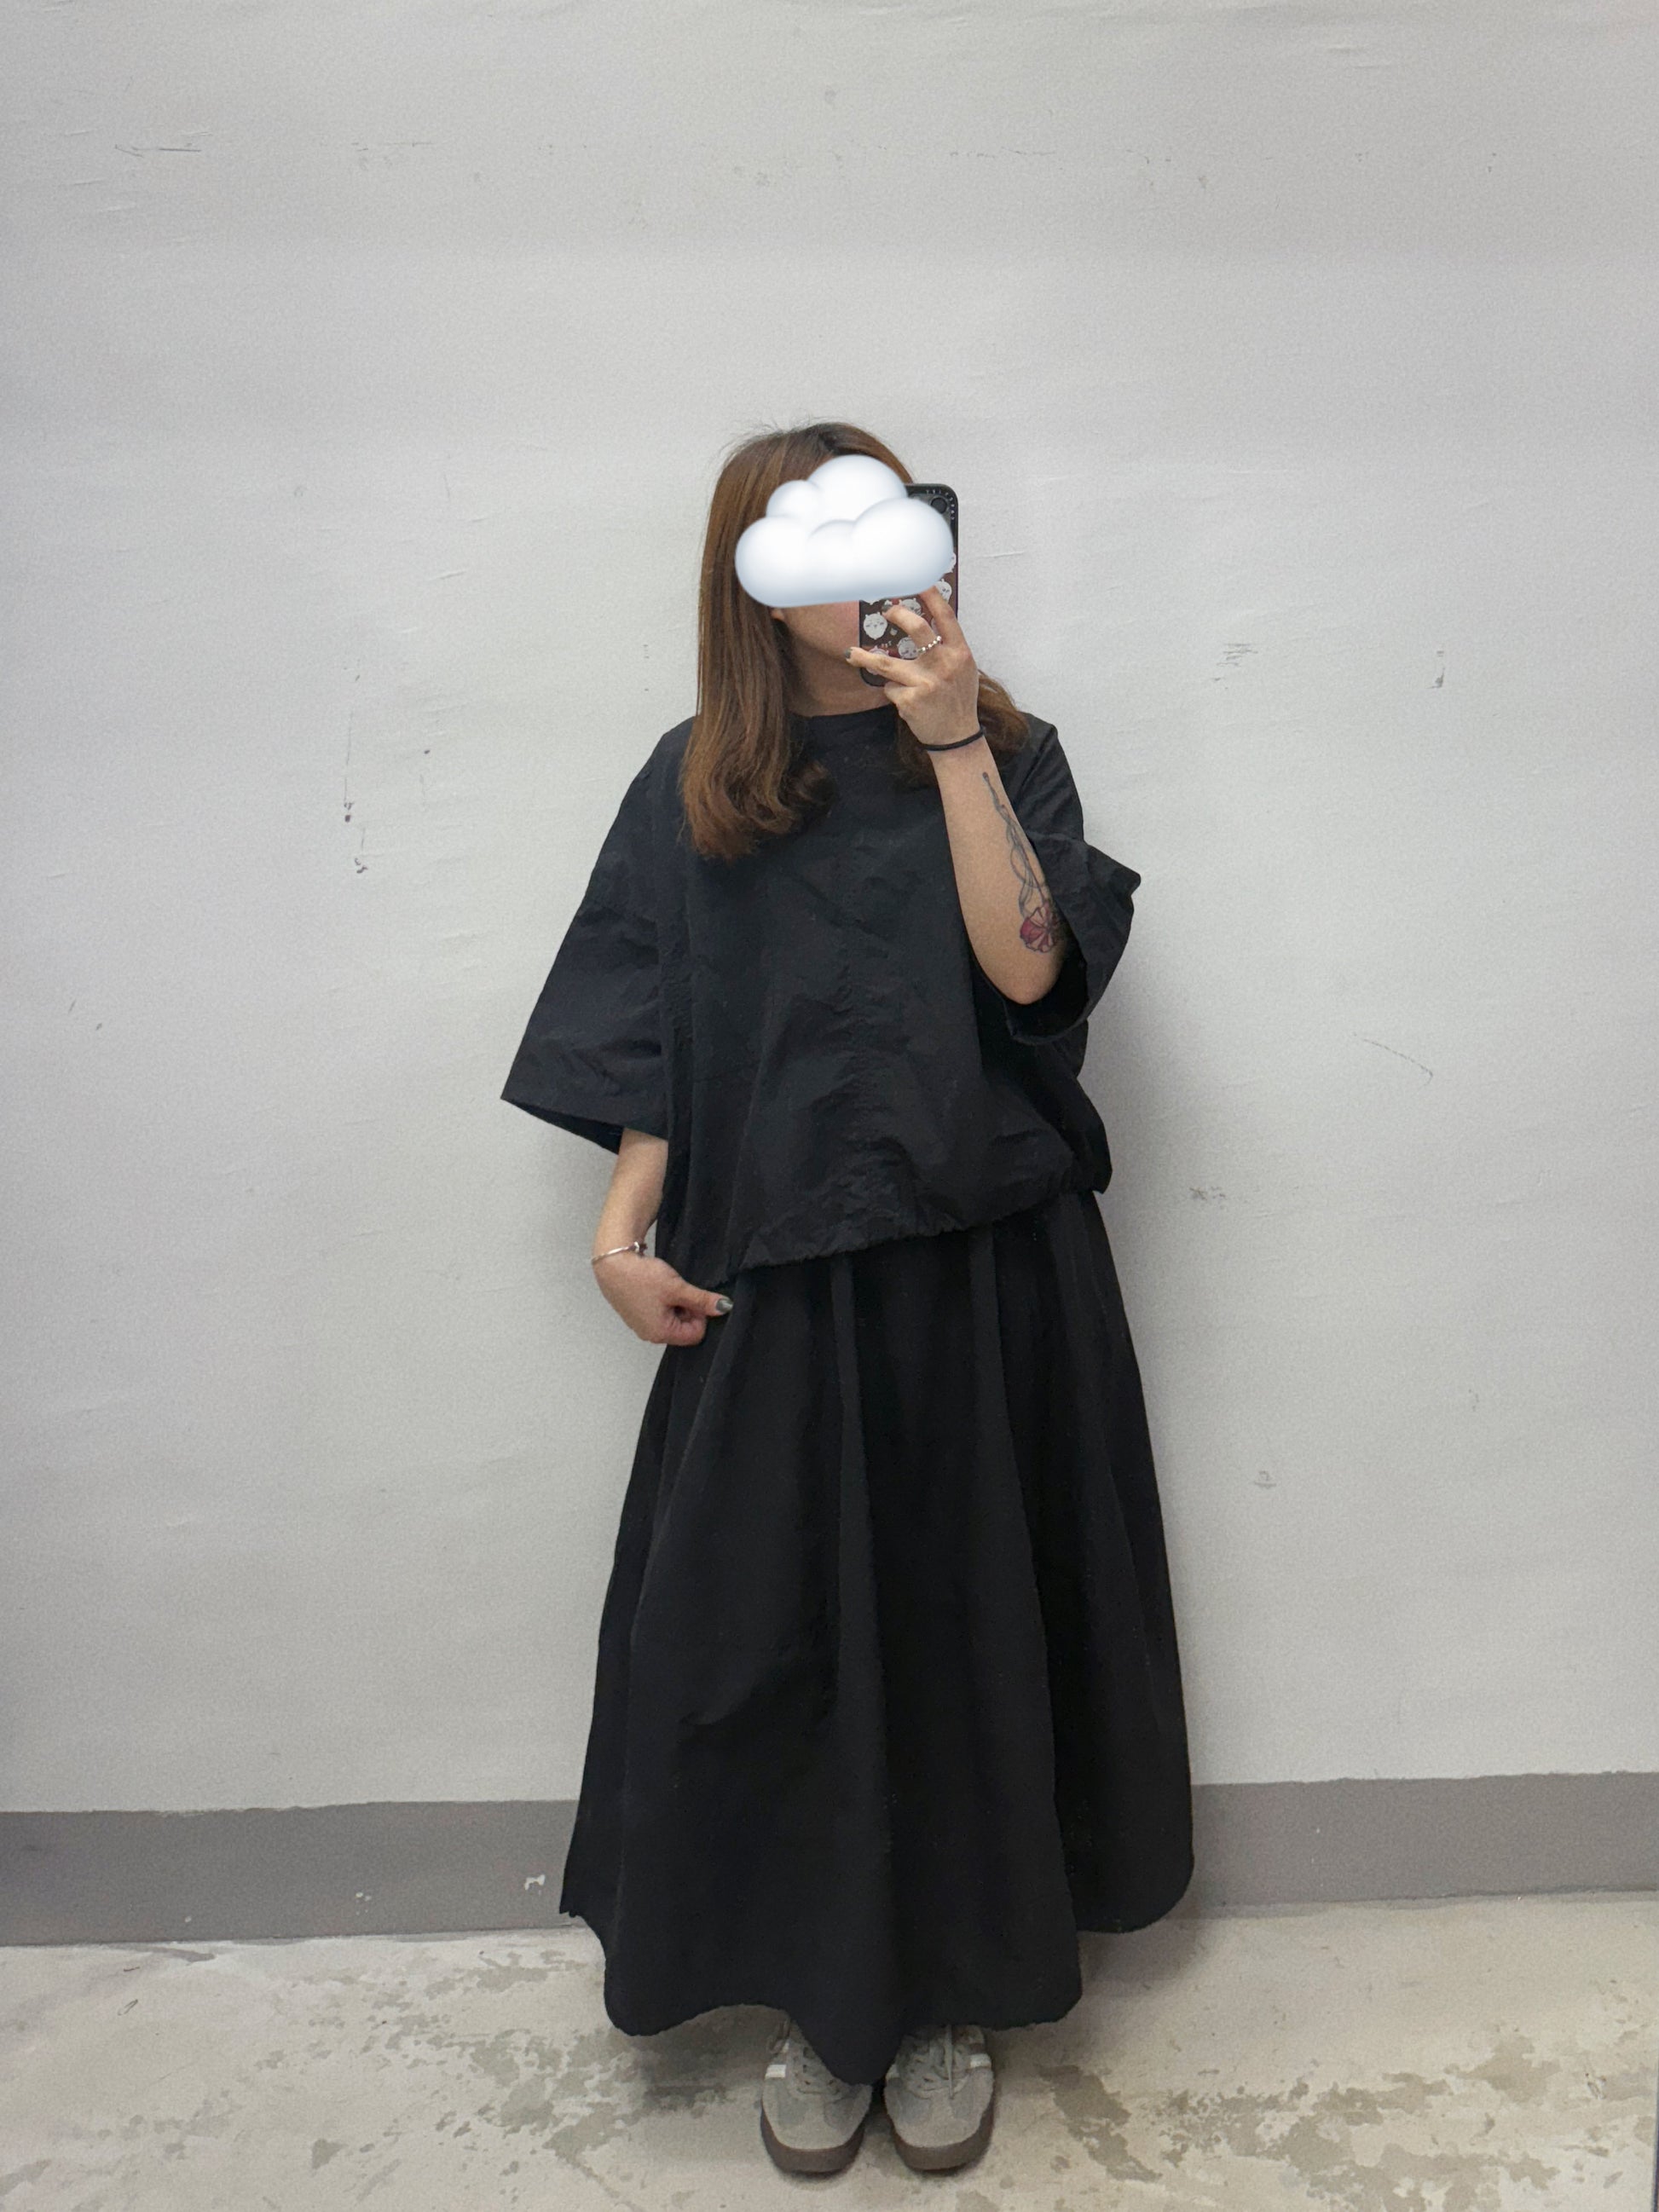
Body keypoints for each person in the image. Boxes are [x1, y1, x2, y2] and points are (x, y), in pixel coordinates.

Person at [500, 420, 1194, 2176]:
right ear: (751, 578)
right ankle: (827, 2001)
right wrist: (620, 1228)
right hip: (772, 1281)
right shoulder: (694, 782)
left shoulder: (1009, 749)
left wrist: (950, 740)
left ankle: (949, 1991)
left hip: (987, 1270)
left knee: (969, 1631)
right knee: (774, 1642)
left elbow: (1029, 973)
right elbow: (658, 1024)